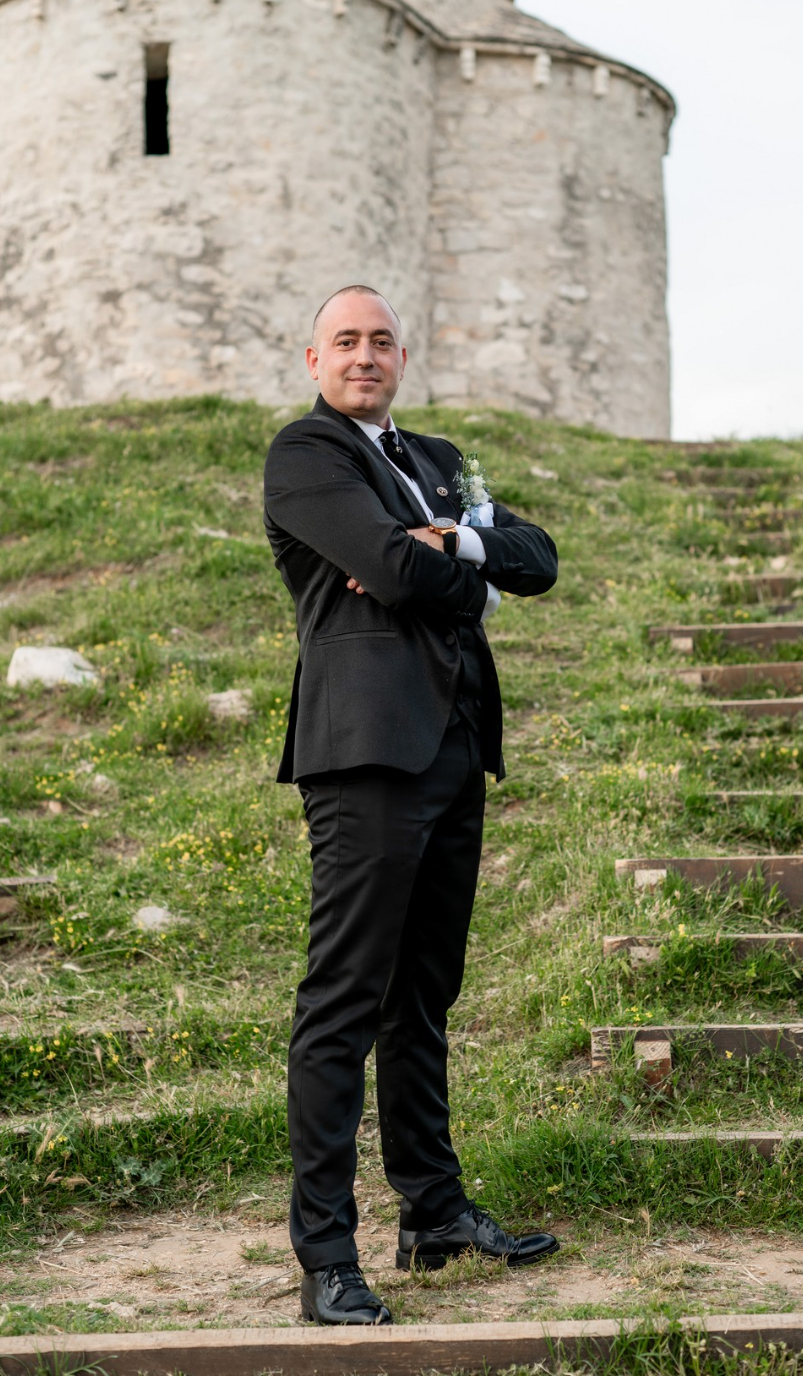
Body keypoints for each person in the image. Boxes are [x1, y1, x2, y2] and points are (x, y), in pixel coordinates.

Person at [262, 286, 559, 1327]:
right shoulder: (307, 455)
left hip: (455, 749)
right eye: (345, 341)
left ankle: (432, 1215)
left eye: (381, 341)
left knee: (423, 995)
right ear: (314, 360)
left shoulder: (436, 458)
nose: (364, 355)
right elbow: (390, 569)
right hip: (365, 755)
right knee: (343, 1001)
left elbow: (539, 558)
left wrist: (457, 548)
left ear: (401, 357)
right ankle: (326, 1258)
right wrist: (451, 568)